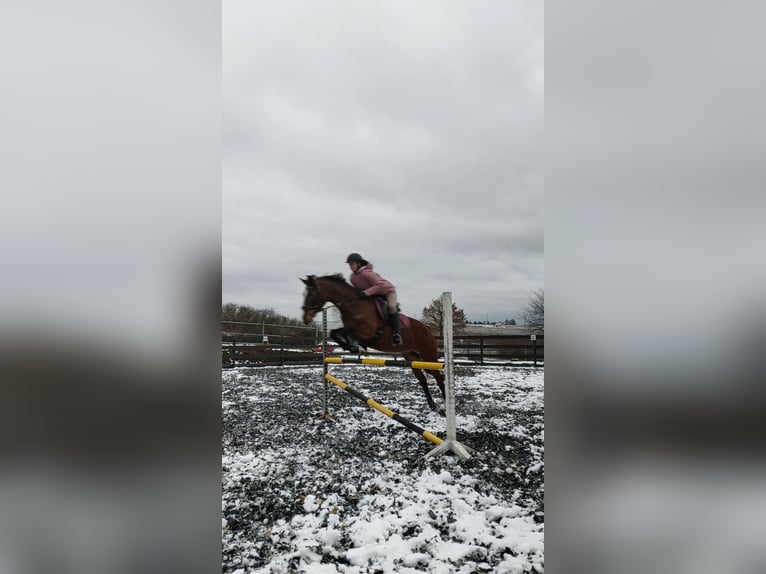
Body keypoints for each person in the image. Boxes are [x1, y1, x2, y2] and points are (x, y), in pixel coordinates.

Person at [345, 252, 403, 345]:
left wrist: (366, 292)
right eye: (349, 264)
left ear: (359, 263)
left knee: (392, 307)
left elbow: (381, 285)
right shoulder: (352, 278)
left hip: (387, 292)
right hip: (374, 294)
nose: (350, 266)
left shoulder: (366, 273)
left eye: (352, 264)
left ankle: (397, 335)